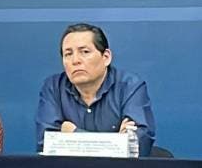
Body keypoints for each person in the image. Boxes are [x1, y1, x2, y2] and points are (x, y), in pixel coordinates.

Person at [35, 23, 156, 156]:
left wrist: (74, 133)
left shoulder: (129, 87)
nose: (75, 60)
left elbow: (138, 145)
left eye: (85, 52)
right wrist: (116, 142)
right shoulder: (53, 88)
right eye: (68, 54)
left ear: (106, 57)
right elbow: (46, 144)